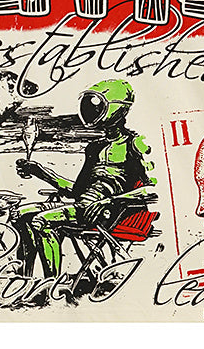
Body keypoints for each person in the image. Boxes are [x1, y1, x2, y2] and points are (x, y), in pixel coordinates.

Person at [13, 79, 156, 278]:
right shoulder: (95, 147)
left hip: (110, 212)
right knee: (19, 215)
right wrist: (40, 171)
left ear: (118, 109)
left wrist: (109, 201)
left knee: (41, 221)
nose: (92, 110)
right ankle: (25, 278)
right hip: (83, 207)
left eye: (99, 105)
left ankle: (51, 283)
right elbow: (76, 191)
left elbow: (153, 190)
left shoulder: (135, 143)